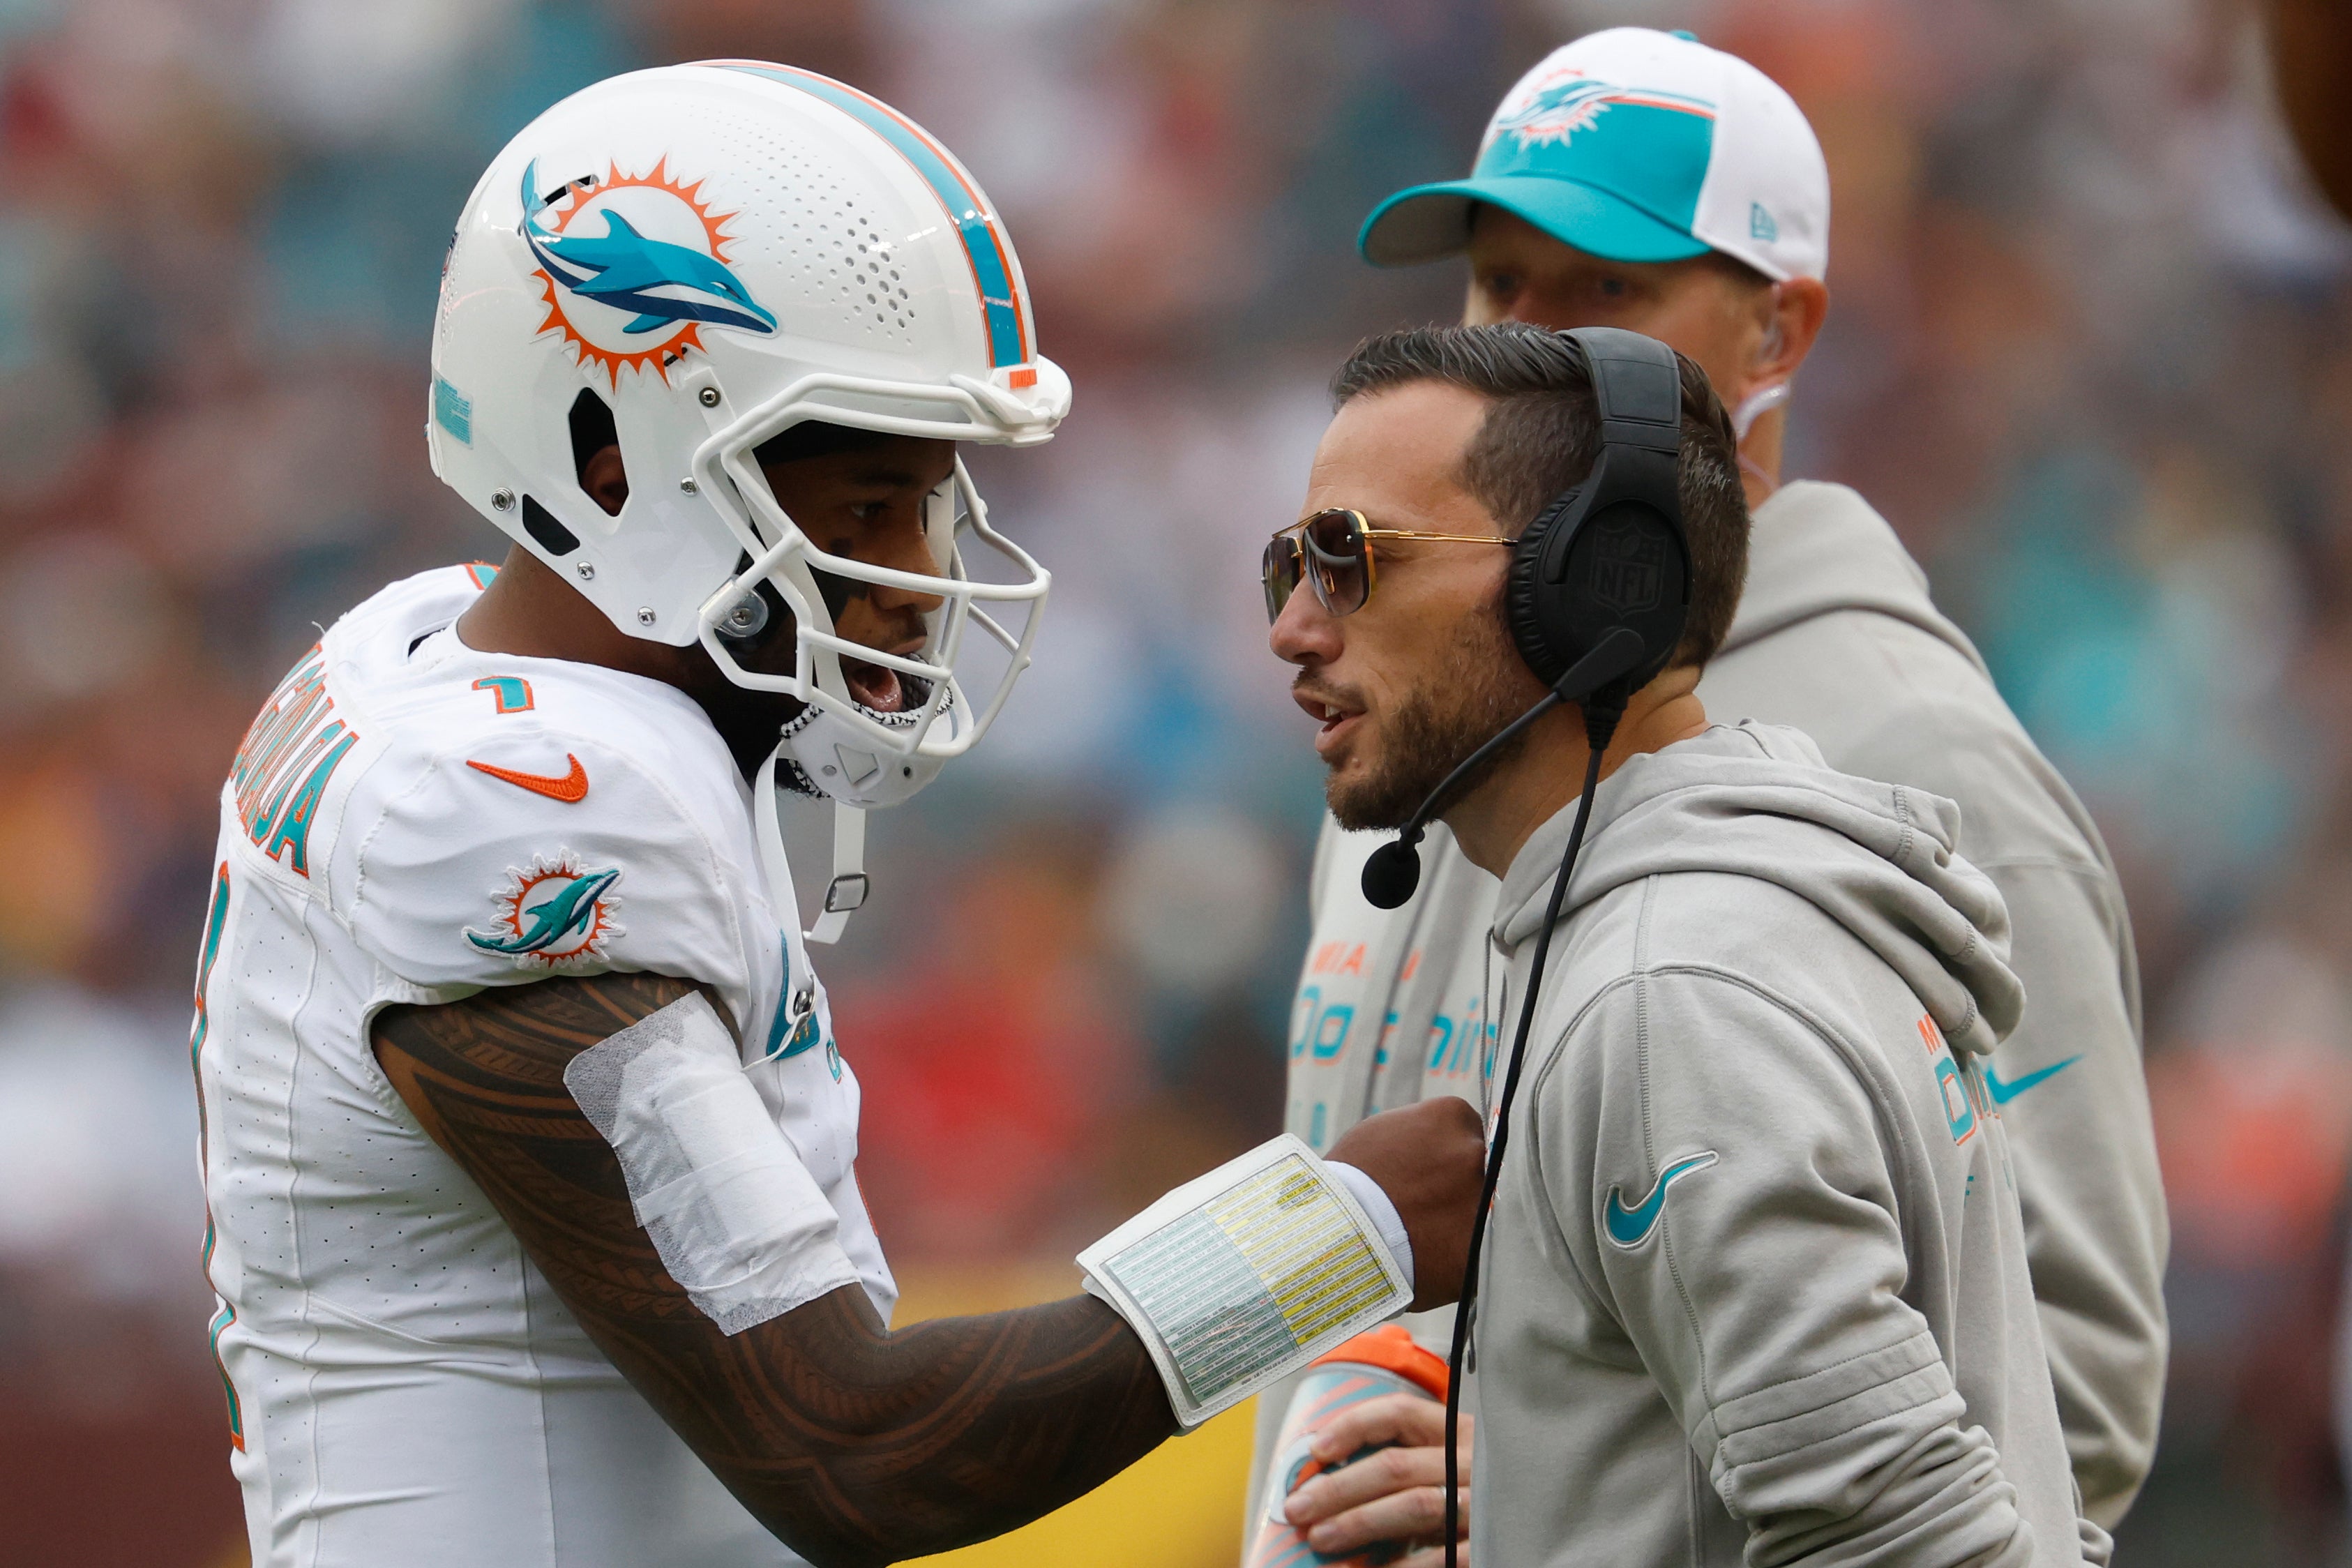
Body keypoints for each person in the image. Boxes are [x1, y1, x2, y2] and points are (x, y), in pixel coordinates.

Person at [189, 62, 1488, 1568]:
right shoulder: (503, 813)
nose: (914, 577)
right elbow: (851, 1448)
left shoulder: (439, 653)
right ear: (612, 468)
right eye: (864, 506)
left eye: (927, 502)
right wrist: (1346, 1229)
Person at [1256, 28, 2164, 1561]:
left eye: (1606, 291)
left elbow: (2071, 1377)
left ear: (1780, 333)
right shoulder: (1418, 715)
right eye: (1499, 285)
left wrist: (1551, 1466)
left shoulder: (1921, 752)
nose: (1531, 345)